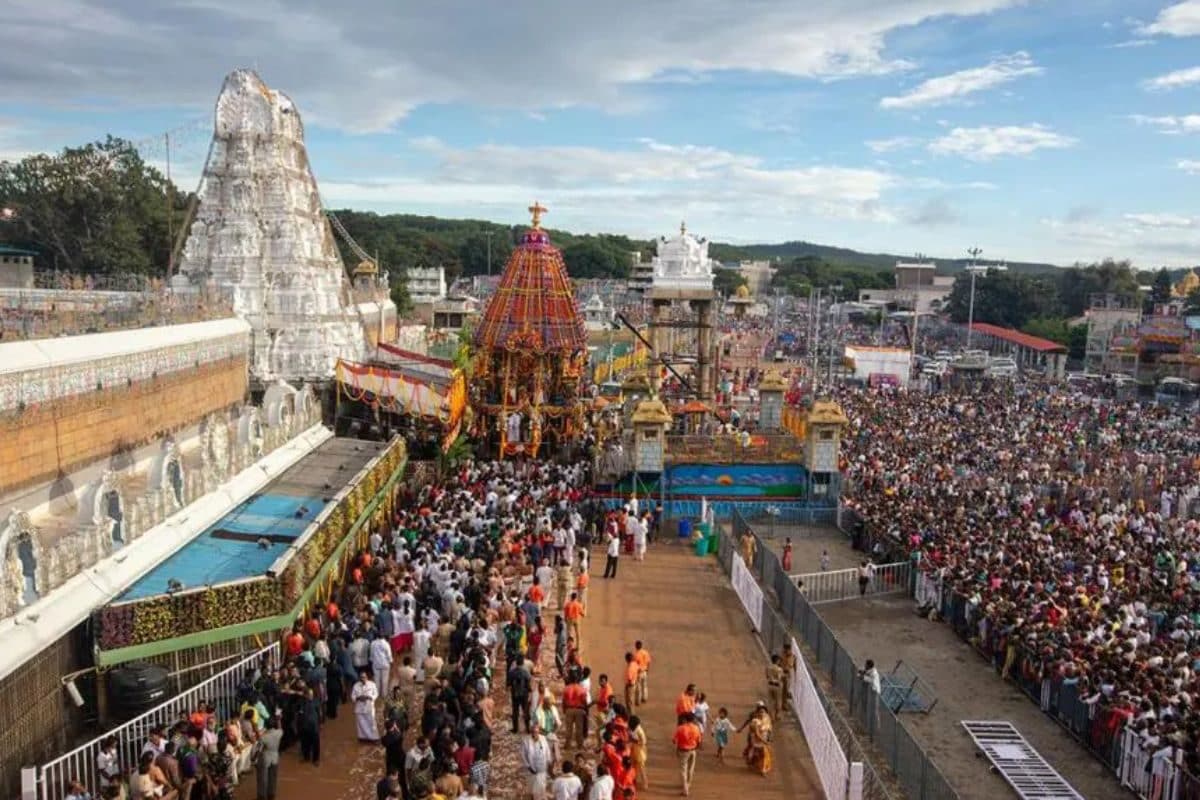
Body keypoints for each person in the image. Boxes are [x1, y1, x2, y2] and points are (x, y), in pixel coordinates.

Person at [673, 711, 702, 797]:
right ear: (693, 719)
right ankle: (688, 784)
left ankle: (685, 789)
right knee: (691, 768)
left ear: (685, 719)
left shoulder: (680, 728)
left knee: (683, 770)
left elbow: (674, 740)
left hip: (683, 751)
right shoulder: (696, 728)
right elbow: (699, 741)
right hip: (693, 750)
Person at [520, 723, 553, 800]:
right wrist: (528, 766)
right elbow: (523, 755)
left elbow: (547, 751)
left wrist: (549, 761)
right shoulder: (526, 740)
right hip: (531, 769)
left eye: (537, 732)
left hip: (542, 767)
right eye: (533, 732)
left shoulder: (543, 738)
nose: (535, 734)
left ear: (539, 732)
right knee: (532, 788)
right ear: (531, 732)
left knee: (541, 787)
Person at [739, 703, 773, 777]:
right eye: (760, 712)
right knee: (755, 753)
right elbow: (757, 733)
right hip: (756, 740)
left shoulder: (767, 719)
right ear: (757, 712)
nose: (762, 713)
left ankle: (763, 770)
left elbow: (769, 728)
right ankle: (751, 761)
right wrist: (764, 741)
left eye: (763, 712)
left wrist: (769, 737)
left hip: (764, 740)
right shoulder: (755, 721)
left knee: (764, 754)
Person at [254, 717, 282, 800]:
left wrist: (254, 759)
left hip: (265, 757)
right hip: (275, 757)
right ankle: (271, 794)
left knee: (263, 778)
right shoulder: (278, 733)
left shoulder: (264, 737)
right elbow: (280, 728)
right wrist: (279, 720)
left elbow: (259, 748)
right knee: (273, 777)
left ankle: (262, 796)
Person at [352, 671, 381, 742]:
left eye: (364, 677)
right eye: (361, 677)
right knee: (361, 723)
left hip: (369, 707)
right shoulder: (356, 685)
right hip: (359, 707)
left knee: (372, 723)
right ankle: (362, 737)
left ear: (367, 677)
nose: (362, 679)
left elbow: (376, 694)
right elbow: (353, 696)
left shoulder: (372, 684)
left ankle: (374, 738)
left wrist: (370, 697)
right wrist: (358, 698)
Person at [633, 641, 651, 706]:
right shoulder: (645, 652)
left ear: (636, 646)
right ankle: (645, 698)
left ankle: (638, 700)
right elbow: (649, 662)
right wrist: (647, 669)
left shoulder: (636, 655)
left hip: (639, 672)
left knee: (638, 687)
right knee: (644, 686)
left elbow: (635, 665)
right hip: (645, 671)